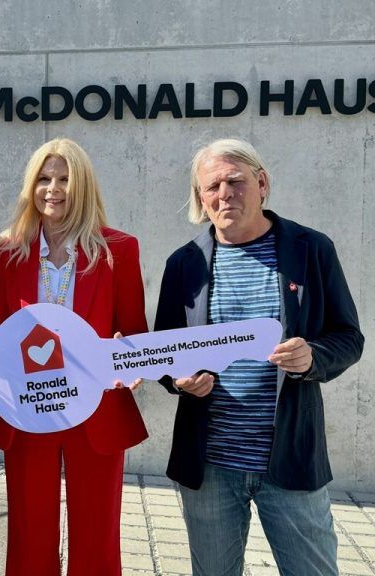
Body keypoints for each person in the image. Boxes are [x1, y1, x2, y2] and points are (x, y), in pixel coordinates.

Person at [154, 138, 364, 576]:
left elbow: (349, 338)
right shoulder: (185, 264)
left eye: (235, 181)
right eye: (212, 187)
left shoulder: (311, 250)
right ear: (201, 198)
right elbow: (166, 353)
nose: (224, 194)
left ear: (262, 183)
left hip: (290, 460)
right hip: (210, 466)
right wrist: (179, 381)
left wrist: (313, 357)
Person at [0, 138, 149, 576]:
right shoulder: (8, 251)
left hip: (97, 409)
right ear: (31, 186)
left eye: (65, 179)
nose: (53, 189)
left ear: (84, 187)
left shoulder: (119, 249)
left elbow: (133, 333)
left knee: (97, 538)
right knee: (29, 536)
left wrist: (128, 360)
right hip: (29, 408)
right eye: (44, 178)